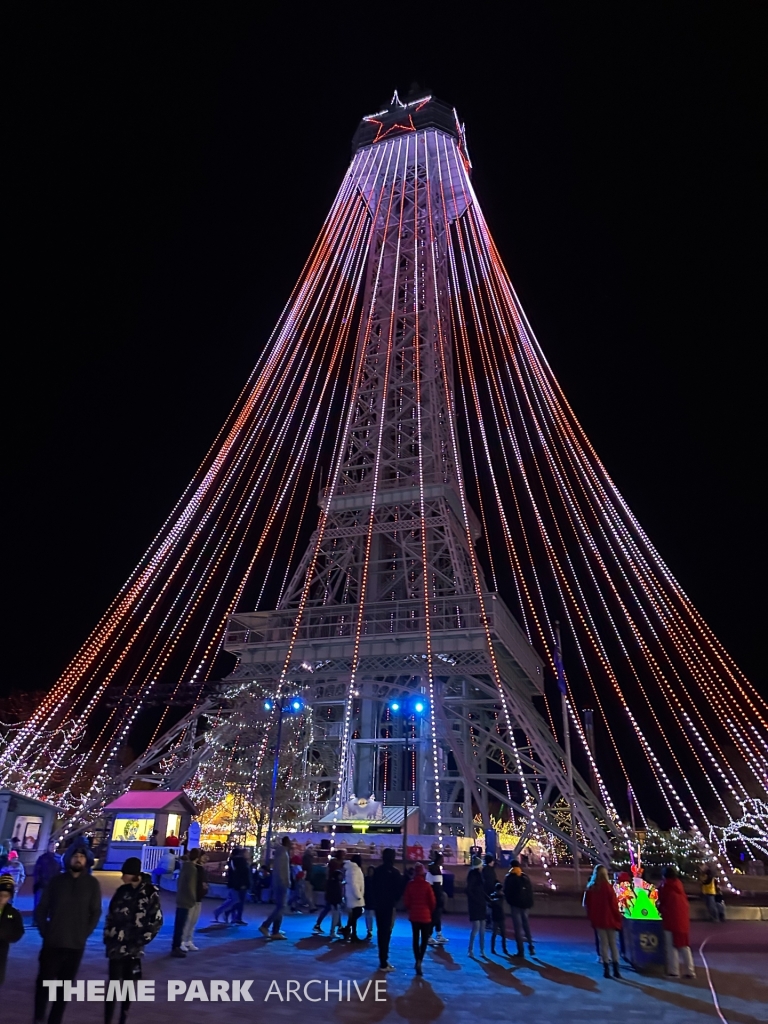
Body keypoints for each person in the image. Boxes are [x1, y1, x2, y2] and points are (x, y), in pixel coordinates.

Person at [34, 839, 102, 1024]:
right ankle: (39, 1016)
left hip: (75, 945)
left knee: (64, 988)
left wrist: (84, 933)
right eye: (75, 856)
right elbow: (42, 908)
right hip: (53, 942)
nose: (78, 859)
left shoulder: (92, 884)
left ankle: (55, 1019)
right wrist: (45, 931)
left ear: (86, 860)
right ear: (69, 859)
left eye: (81, 856)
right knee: (44, 983)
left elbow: (95, 912)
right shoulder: (57, 882)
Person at [103, 857, 162, 1023]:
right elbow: (111, 914)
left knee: (128, 985)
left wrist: (142, 940)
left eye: (125, 874)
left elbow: (156, 920)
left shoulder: (150, 893)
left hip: (134, 949)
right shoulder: (122, 891)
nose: (122, 877)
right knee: (113, 984)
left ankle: (123, 1015)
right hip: (116, 946)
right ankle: (108, 1018)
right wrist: (108, 936)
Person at [368, 848, 403, 972]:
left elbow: (372, 887)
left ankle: (382, 959)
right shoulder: (395, 872)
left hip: (379, 905)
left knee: (380, 931)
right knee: (387, 932)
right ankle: (384, 960)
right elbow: (399, 891)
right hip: (389, 905)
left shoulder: (377, 871)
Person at [584, 865, 622, 979]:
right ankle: (616, 969)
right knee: (613, 945)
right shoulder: (609, 888)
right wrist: (618, 918)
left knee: (603, 945)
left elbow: (588, 905)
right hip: (610, 920)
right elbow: (614, 906)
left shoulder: (591, 888)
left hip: (599, 920)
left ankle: (606, 969)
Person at [658, 865, 696, 979]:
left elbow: (662, 901)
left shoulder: (665, 887)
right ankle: (690, 970)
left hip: (671, 919)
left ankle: (674, 971)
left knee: (671, 946)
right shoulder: (678, 886)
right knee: (684, 946)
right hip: (682, 920)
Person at [403, 863, 436, 976]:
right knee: (424, 940)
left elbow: (406, 901)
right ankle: (420, 960)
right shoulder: (427, 885)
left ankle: (417, 959)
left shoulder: (410, 885)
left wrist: (411, 908)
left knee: (415, 939)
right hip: (425, 916)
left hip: (414, 916)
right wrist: (429, 911)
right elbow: (432, 902)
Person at [259, 836, 291, 940]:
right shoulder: (284, 854)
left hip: (278, 882)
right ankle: (266, 926)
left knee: (280, 907)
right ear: (287, 843)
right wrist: (286, 881)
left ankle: (275, 930)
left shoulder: (280, 853)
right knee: (281, 907)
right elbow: (283, 870)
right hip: (281, 883)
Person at [503, 858, 535, 958]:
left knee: (518, 928)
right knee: (526, 926)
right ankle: (530, 946)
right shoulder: (524, 876)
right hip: (525, 905)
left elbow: (506, 891)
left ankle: (520, 951)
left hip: (515, 905)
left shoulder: (509, 877)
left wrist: (510, 901)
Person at [181, 849, 208, 951]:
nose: (206, 858)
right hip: (192, 898)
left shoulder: (200, 869)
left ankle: (189, 940)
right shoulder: (194, 868)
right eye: (204, 856)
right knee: (188, 921)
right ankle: (182, 941)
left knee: (193, 921)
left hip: (198, 898)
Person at [214, 848, 249, 925]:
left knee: (234, 900)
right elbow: (240, 874)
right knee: (236, 901)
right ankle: (225, 913)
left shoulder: (233, 861)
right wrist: (242, 884)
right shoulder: (240, 861)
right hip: (238, 884)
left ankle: (233, 916)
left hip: (234, 884)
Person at [0, 873, 24, 986]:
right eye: (0, 895)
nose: (2, 899)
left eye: (5, 896)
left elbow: (19, 931)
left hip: (2, 947)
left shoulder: (13, 913)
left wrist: (6, 935)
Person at [313, 853, 344, 936]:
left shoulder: (332, 864)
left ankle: (338, 926)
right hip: (332, 889)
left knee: (331, 908)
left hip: (329, 888)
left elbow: (327, 874)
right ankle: (337, 927)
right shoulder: (337, 864)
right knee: (335, 908)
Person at [466, 855, 488, 957]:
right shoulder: (475, 876)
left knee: (480, 928)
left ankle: (479, 950)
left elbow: (480, 891)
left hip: (479, 904)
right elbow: (471, 891)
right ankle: (472, 950)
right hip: (477, 905)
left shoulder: (476, 875)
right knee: (478, 928)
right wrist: (479, 900)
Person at [426, 852, 448, 946]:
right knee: (435, 916)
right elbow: (437, 887)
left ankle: (438, 934)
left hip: (432, 895)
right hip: (436, 897)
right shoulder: (436, 870)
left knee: (437, 916)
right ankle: (429, 936)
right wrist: (440, 898)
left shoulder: (431, 869)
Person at [342, 854, 366, 941]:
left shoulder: (351, 869)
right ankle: (349, 931)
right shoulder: (355, 870)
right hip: (355, 896)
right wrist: (358, 895)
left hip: (352, 895)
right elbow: (354, 883)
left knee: (353, 915)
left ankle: (349, 931)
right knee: (356, 913)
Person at [34, 843, 63, 911]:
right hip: (43, 884)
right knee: (40, 903)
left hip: (54, 885)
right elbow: (37, 871)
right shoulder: (42, 858)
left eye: (54, 846)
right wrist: (38, 882)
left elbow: (61, 870)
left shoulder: (59, 858)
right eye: (51, 846)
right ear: (48, 847)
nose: (52, 847)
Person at [488, 882, 509, 955]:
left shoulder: (494, 896)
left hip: (495, 916)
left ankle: (493, 949)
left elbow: (490, 904)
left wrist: (491, 901)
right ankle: (504, 949)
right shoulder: (501, 896)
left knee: (494, 934)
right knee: (502, 934)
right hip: (500, 916)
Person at [301, 845, 316, 911]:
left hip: (307, 876)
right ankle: (312, 906)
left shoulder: (306, 857)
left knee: (307, 891)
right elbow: (306, 868)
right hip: (308, 876)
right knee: (308, 891)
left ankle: (310, 905)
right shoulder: (308, 858)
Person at [363, 866, 376, 939]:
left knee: (369, 916)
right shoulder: (367, 879)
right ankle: (369, 930)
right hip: (367, 899)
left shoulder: (369, 879)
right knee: (367, 915)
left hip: (371, 900)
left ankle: (370, 930)